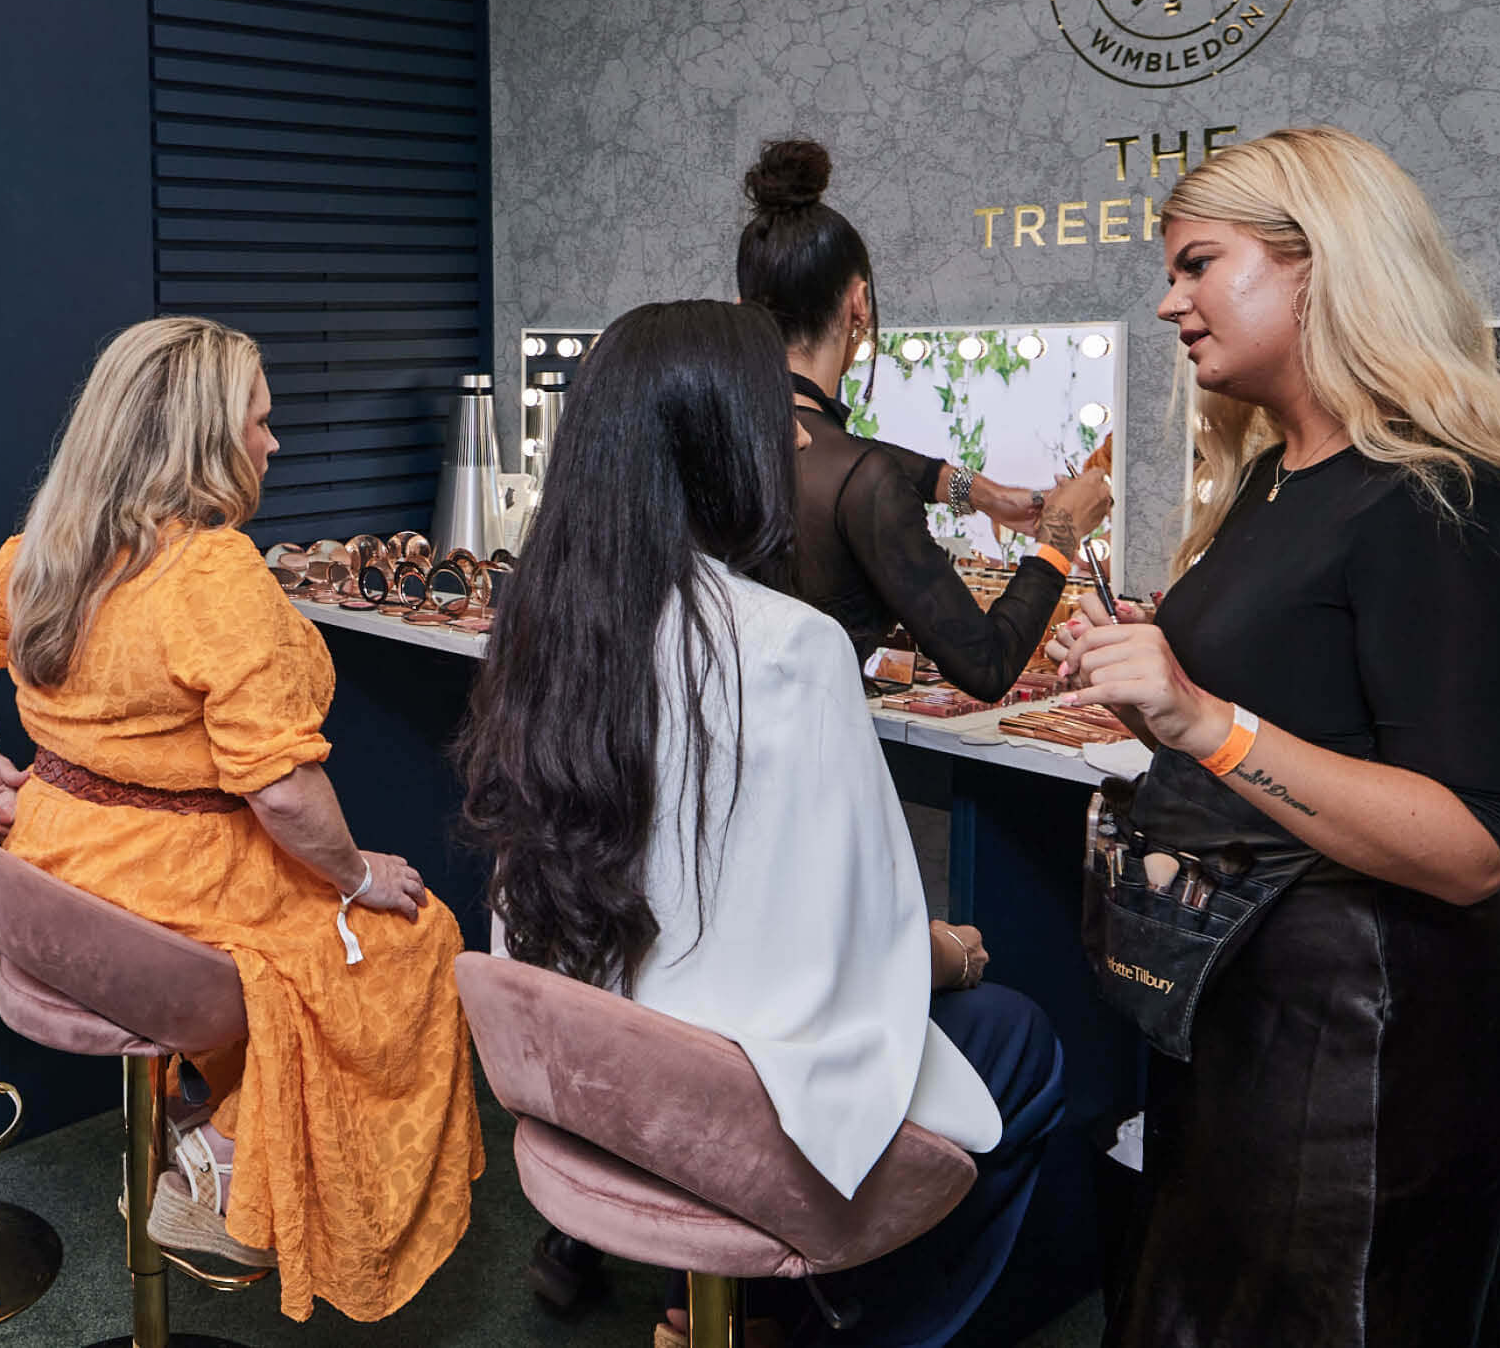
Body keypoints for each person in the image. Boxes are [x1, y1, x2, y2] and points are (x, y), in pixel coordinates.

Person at [1045, 128, 1500, 1347]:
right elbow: (1304, 691)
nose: (1168, 300)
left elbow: (1468, 844)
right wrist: (1166, 687)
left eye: (1199, 263)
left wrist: (1203, 717)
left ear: (1317, 266)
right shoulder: (1277, 476)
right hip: (1248, 996)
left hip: (1370, 1036)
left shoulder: (1436, 494)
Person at [459, 301, 1071, 1348]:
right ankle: (843, 1321)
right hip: (724, 1098)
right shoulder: (790, 644)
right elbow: (860, 945)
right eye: (771, 420)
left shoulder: (541, 624)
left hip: (590, 1071)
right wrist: (950, 955)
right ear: (713, 448)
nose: (794, 438)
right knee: (1023, 1038)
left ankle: (748, 1312)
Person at [0, 316, 480, 1324]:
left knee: (312, 939)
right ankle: (228, 1155)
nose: (275, 444)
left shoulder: (58, 544)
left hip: (56, 869)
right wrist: (357, 874)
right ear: (201, 440)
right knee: (409, 935)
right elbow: (279, 792)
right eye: (259, 424)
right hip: (168, 894)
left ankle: (197, 1107)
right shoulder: (213, 573)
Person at [736, 139, 1115, 701]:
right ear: (858, 304)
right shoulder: (860, 479)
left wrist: (975, 492)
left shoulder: (724, 440)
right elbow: (988, 664)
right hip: (816, 761)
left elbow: (852, 454)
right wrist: (1060, 535)